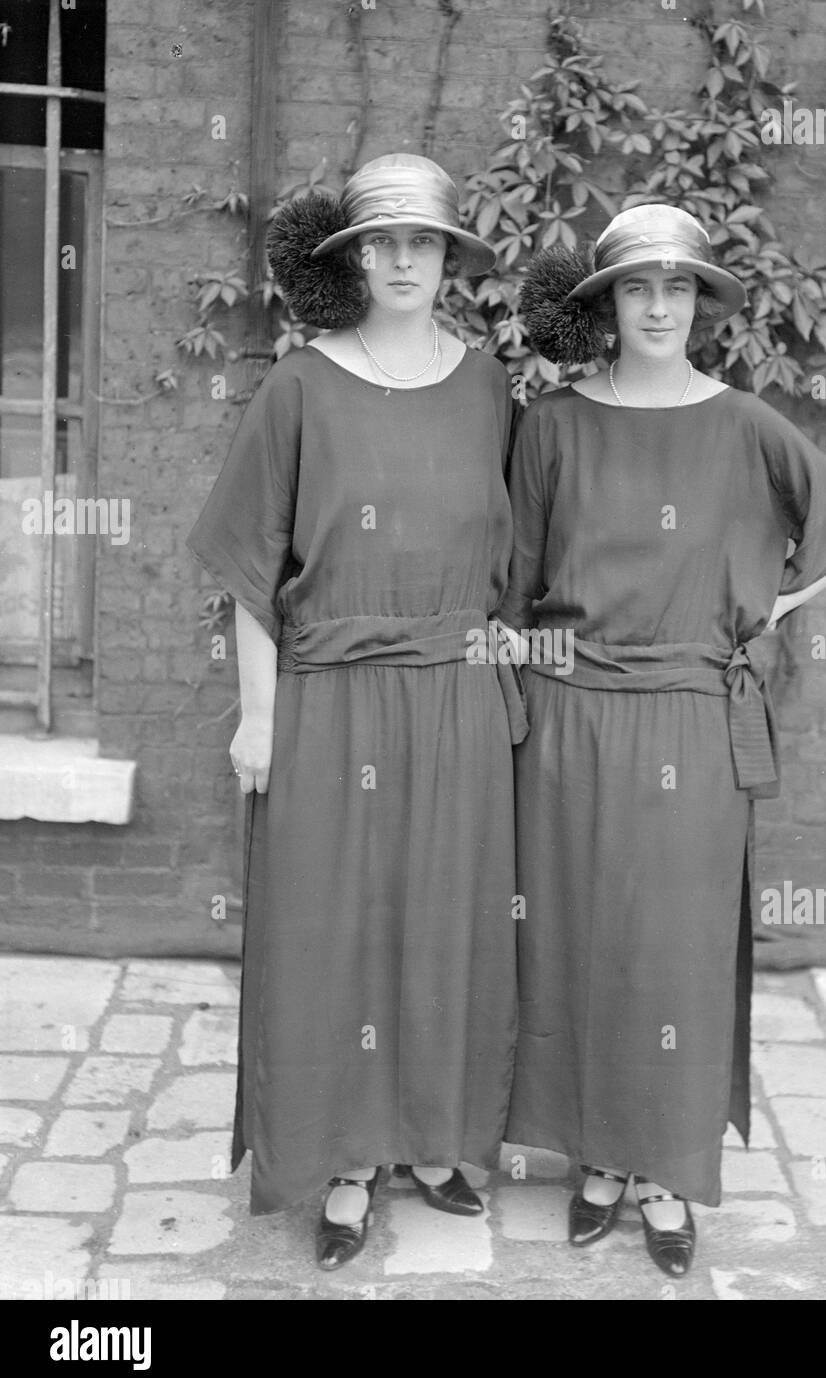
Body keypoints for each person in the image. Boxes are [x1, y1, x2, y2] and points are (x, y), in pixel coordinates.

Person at [500, 203, 826, 1278]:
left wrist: (770, 606)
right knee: (574, 943)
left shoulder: (745, 425)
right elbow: (516, 580)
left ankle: (666, 1171)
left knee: (670, 955)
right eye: (637, 288)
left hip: (687, 718)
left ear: (701, 304)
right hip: (570, 717)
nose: (658, 306)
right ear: (609, 304)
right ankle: (593, 1159)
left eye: (676, 288)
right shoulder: (552, 425)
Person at [185, 153, 526, 1269]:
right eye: (380, 243)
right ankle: (338, 1162)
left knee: (441, 925)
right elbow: (244, 566)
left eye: (421, 243)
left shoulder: (487, 390)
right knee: (331, 935)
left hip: (454, 699)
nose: (401, 262)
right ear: (352, 259)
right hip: (327, 698)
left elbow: (511, 564)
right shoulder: (299, 385)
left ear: (447, 261)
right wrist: (258, 714)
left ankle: (431, 1142)